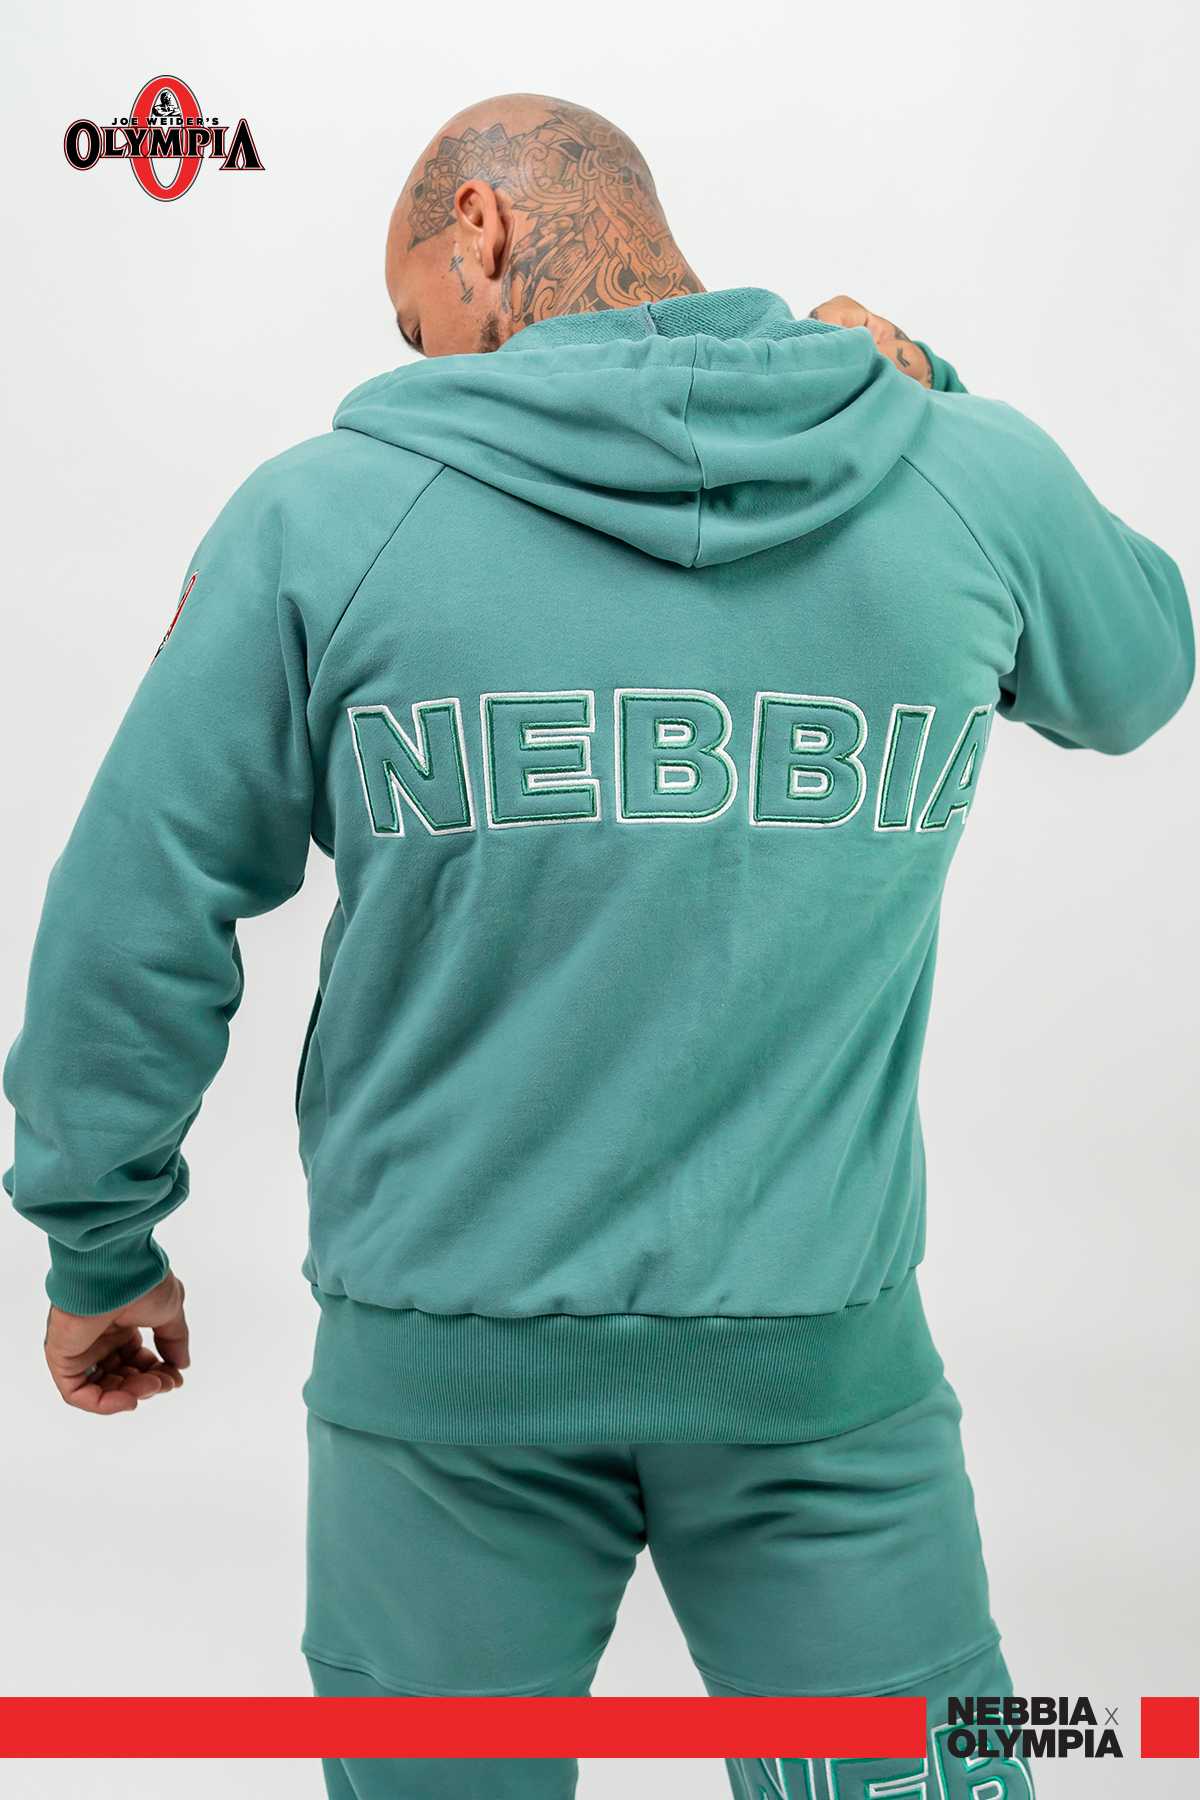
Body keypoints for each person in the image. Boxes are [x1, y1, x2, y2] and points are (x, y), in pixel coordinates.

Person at [5, 91, 1192, 1800]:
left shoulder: (323, 519)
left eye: (413, 317)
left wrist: (101, 1246)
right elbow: (1143, 665)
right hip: (822, 1377)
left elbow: (137, 902)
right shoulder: (950, 474)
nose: (420, 360)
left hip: (445, 1387)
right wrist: (928, 378)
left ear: (478, 231)